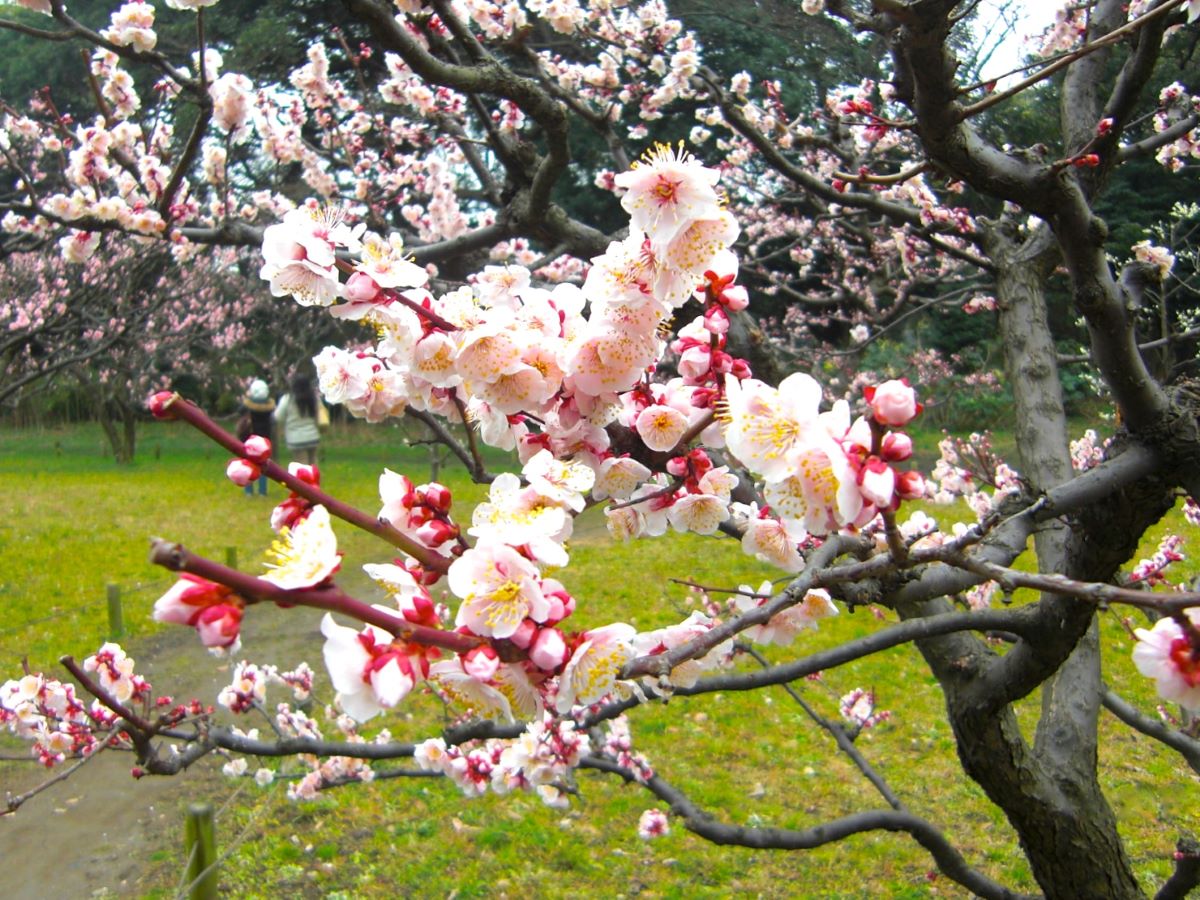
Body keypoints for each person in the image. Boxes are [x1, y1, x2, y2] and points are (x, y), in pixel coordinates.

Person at [274, 371, 325, 466]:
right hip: (312, 436)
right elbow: (320, 413)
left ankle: (304, 481)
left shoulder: (288, 399)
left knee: (302, 465)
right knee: (313, 463)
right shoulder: (314, 398)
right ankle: (315, 480)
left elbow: (278, 417)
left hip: (296, 439)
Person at [239, 378, 275, 496]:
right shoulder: (270, 407)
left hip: (250, 438)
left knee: (248, 464)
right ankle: (262, 491)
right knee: (263, 465)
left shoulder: (247, 406)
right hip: (264, 439)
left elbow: (240, 411)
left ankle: (249, 491)